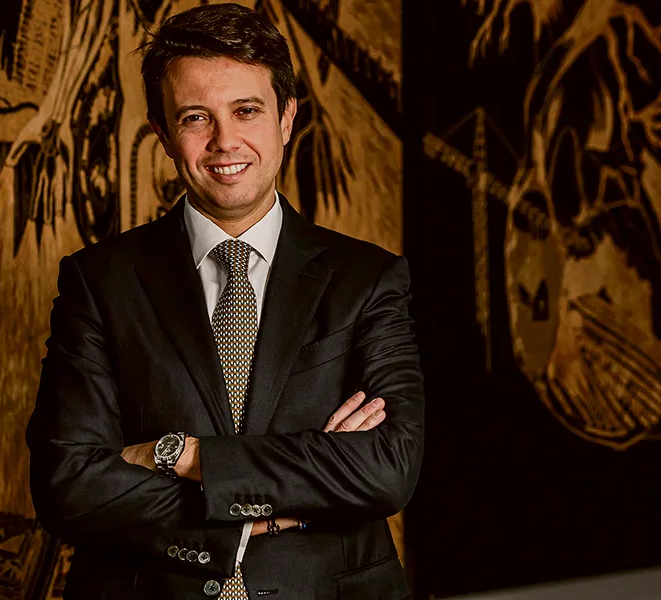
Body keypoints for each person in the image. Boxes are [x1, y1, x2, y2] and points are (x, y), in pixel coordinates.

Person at [26, 4, 424, 599]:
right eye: (195, 117)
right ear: (163, 134)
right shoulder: (98, 282)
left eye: (246, 110)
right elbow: (69, 483)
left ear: (287, 118)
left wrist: (184, 457)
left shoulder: (368, 280)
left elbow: (389, 467)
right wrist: (267, 506)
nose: (224, 141)